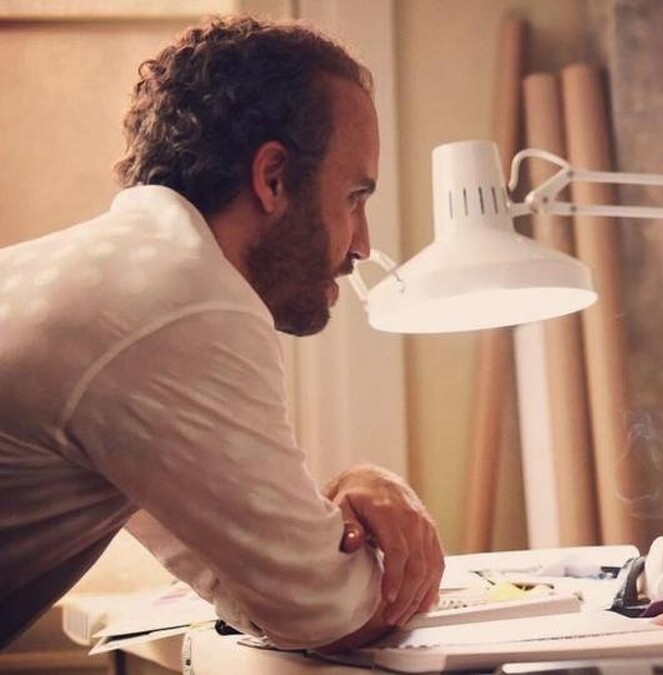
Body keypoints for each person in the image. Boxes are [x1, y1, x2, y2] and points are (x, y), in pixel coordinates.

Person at [0, 17, 443, 650]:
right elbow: (326, 608)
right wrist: (363, 493)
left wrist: (355, 493)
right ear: (273, 178)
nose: (363, 245)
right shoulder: (183, 302)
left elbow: (255, 582)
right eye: (354, 197)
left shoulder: (108, 281)